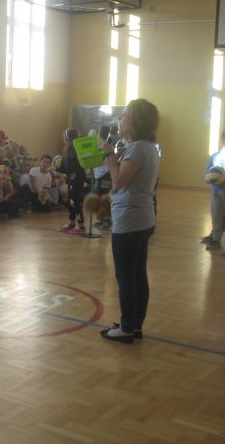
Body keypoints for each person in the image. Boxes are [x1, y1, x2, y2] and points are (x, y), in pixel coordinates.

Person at [98, 98, 160, 344]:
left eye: (124, 114)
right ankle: (134, 325)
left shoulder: (136, 150)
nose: (120, 119)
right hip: (143, 217)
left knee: (125, 277)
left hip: (130, 220)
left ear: (135, 121)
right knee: (137, 275)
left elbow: (118, 183)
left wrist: (109, 154)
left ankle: (126, 328)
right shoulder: (147, 147)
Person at [203, 130, 225, 249]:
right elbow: (208, 171)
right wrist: (208, 178)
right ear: (223, 140)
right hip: (216, 192)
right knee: (216, 215)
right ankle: (216, 239)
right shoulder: (215, 156)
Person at [57, 129, 86, 233]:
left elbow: (70, 165)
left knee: (75, 201)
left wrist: (59, 168)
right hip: (74, 178)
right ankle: (71, 223)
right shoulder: (72, 148)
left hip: (76, 178)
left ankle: (81, 226)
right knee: (72, 201)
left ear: (67, 138)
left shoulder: (73, 148)